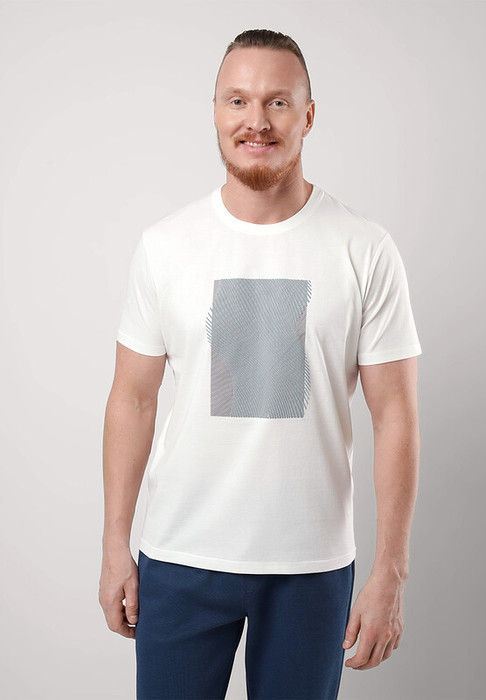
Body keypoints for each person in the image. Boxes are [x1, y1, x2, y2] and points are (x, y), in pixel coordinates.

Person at [99, 28, 422, 700]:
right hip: (181, 557)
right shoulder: (165, 246)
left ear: (308, 115)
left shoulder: (363, 248)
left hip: (311, 567)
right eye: (237, 100)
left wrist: (390, 572)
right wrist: (113, 546)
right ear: (216, 111)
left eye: (277, 102)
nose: (256, 121)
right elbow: (133, 398)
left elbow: (395, 414)